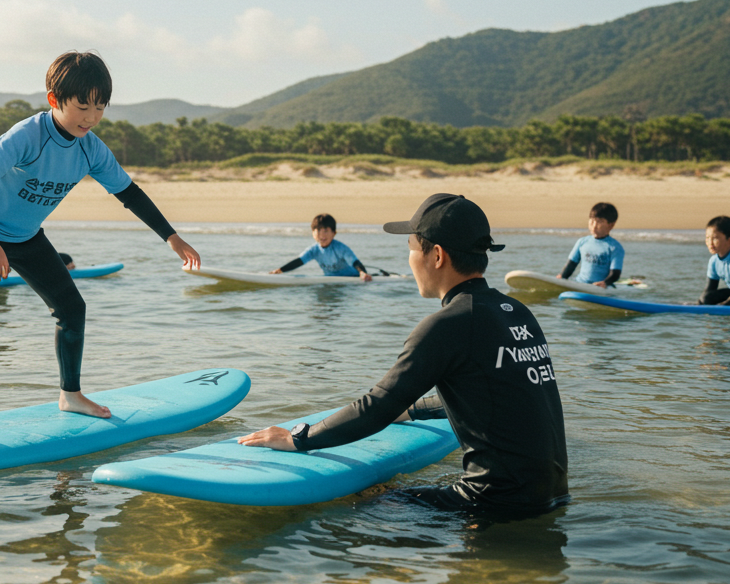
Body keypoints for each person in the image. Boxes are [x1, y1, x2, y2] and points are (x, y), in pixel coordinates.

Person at [0, 50, 201, 442]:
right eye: (82, 105)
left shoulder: (91, 148)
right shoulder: (29, 135)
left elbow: (129, 193)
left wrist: (172, 237)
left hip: (26, 238)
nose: (91, 117)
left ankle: (70, 395)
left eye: (100, 106)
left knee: (72, 309)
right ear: (55, 100)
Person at [240, 193, 570, 517]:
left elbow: (376, 406)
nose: (409, 258)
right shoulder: (516, 312)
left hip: (493, 503)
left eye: (411, 247)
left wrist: (299, 438)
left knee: (353, 509)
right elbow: (491, 394)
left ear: (437, 255)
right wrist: (410, 411)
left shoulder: (447, 324)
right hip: (552, 496)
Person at [270, 213, 373, 281]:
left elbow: (355, 262)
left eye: (326, 231)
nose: (322, 235)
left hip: (352, 279)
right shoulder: (313, 250)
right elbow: (299, 261)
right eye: (318, 230)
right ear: (312, 233)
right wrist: (280, 270)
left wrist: (362, 273)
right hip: (331, 280)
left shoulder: (341, 248)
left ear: (334, 233)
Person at [557, 202, 624, 288]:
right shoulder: (582, 242)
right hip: (580, 283)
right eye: (592, 221)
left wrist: (605, 283)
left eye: (600, 222)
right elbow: (571, 264)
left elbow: (615, 273)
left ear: (611, 225)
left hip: (601, 287)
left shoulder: (615, 247)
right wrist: (562, 277)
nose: (594, 226)